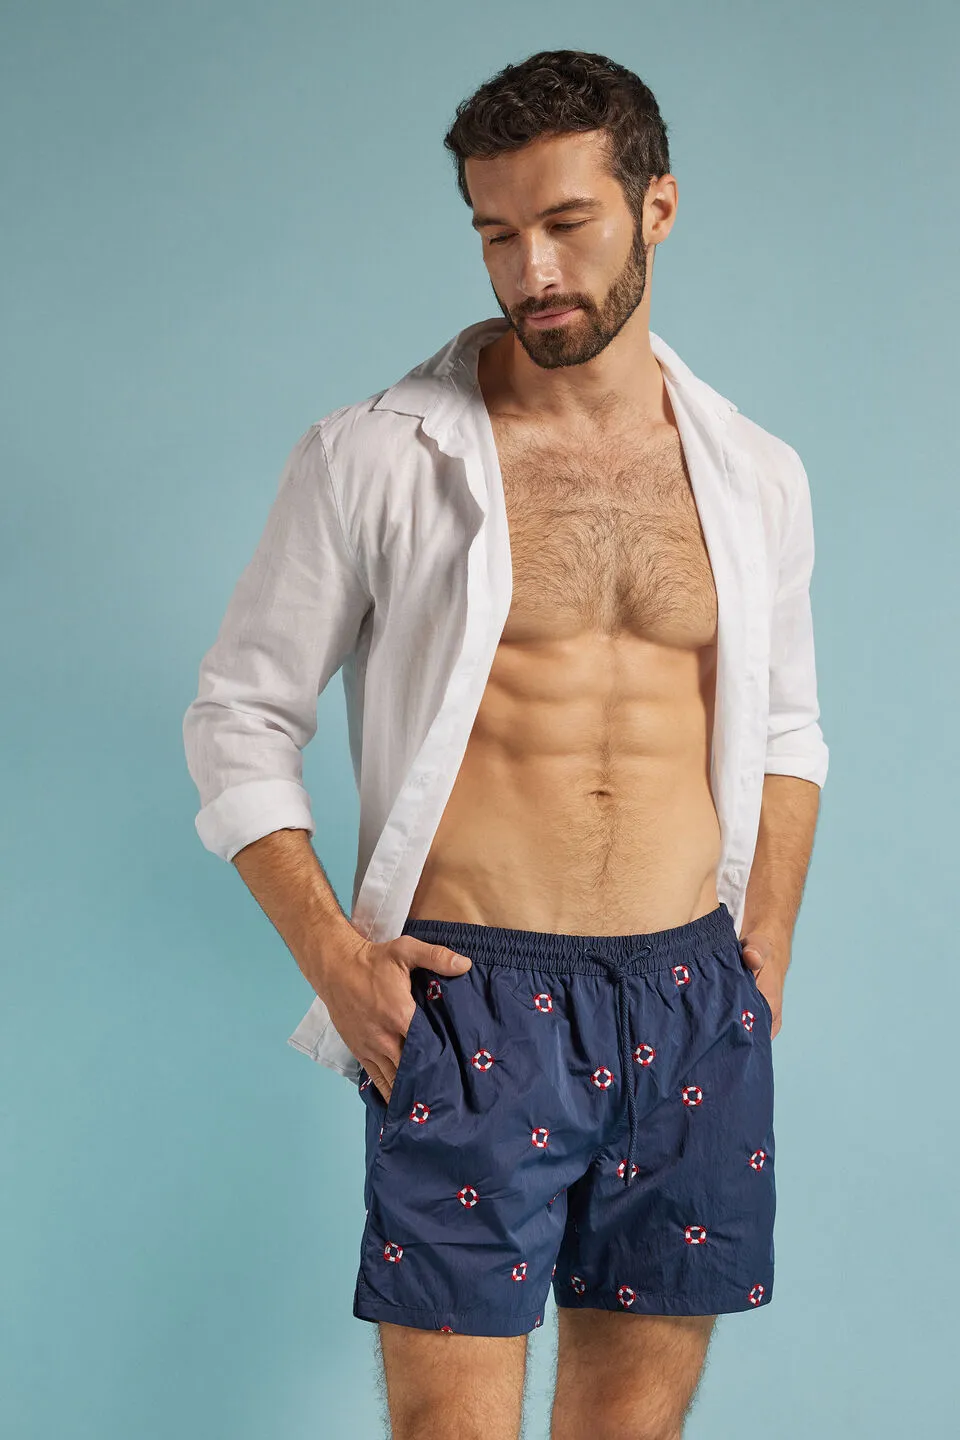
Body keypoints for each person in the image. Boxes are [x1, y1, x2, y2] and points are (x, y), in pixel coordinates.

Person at [183, 47, 828, 1440]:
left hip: (688, 995)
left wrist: (763, 947)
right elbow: (239, 715)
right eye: (496, 233)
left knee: (631, 1430)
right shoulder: (372, 456)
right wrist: (334, 956)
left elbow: (786, 722)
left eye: (566, 223)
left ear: (658, 207)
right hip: (476, 1003)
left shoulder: (754, 474)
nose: (531, 271)